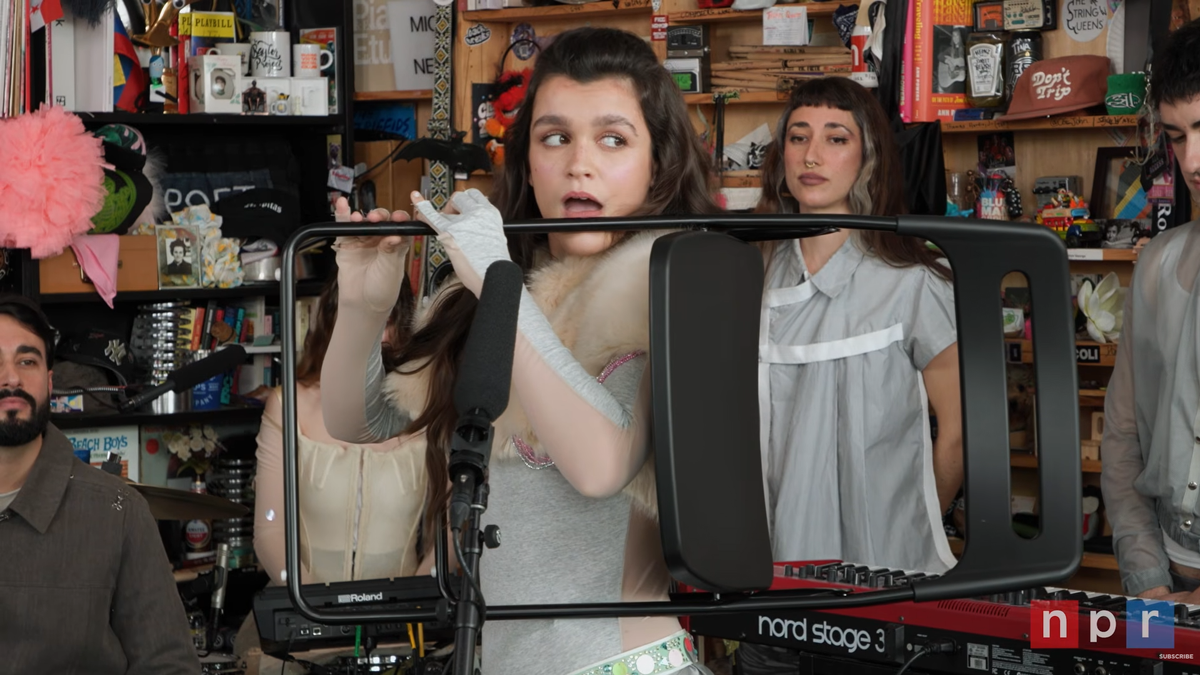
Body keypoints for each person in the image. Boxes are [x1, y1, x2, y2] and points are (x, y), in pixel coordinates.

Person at [322, 26, 722, 675]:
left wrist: (498, 281)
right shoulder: (490, 289)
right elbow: (358, 418)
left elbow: (601, 465)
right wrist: (365, 302)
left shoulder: (665, 287)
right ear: (527, 159)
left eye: (613, 138)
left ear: (659, 166)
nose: (578, 163)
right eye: (554, 136)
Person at [735, 77, 963, 674]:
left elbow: (959, 429)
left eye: (836, 138)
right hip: (768, 590)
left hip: (883, 593)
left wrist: (906, 533)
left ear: (868, 157)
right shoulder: (745, 275)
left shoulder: (916, 280)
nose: (812, 155)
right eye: (797, 137)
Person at [0, 293, 199, 674]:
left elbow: (169, 664)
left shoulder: (118, 512)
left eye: (27, 361)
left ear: (49, 381)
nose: (11, 378)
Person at [1101, 17, 1200, 601]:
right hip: (1167, 578)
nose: (1193, 161)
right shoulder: (1157, 266)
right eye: (1179, 135)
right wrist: (1148, 582)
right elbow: (1122, 437)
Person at [252, 271, 430, 587]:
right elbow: (270, 529)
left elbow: (454, 530)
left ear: (402, 325)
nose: (369, 333)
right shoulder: (288, 404)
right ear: (333, 321)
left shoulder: (427, 410)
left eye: (383, 319)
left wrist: (416, 598)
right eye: (356, 318)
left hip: (404, 623)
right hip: (305, 611)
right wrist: (314, 607)